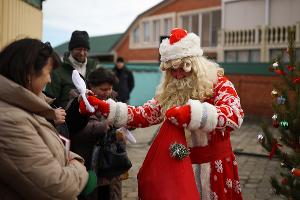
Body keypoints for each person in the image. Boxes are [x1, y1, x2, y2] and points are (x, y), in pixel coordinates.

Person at [81, 28, 244, 200]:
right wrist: (104, 107)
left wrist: (192, 113)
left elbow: (235, 115)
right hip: (181, 168)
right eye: (172, 70)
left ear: (196, 65)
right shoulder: (170, 92)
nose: (178, 74)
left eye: (183, 68)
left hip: (214, 169)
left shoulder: (219, 84)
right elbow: (143, 114)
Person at [0, 38, 96, 200]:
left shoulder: (27, 108)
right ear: (29, 73)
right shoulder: (10, 121)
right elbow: (58, 186)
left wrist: (70, 158)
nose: (50, 80)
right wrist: (79, 167)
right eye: (48, 72)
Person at [66, 67, 129, 200]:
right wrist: (102, 126)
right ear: (91, 86)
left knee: (109, 193)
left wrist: (127, 122)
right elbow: (74, 130)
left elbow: (123, 118)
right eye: (103, 89)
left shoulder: (114, 102)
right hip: (87, 159)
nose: (107, 92)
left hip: (110, 161)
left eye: (110, 88)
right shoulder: (78, 101)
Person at [45, 30, 98, 108]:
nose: (82, 53)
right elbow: (50, 99)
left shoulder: (94, 67)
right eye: (79, 49)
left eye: (85, 50)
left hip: (92, 115)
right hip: (67, 117)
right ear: (71, 49)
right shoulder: (58, 70)